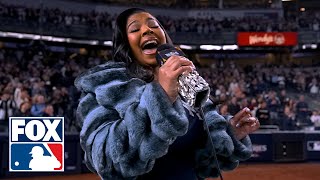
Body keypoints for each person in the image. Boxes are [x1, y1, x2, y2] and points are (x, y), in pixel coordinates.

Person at [75, 8, 260, 180]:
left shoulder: (187, 85)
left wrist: (230, 134)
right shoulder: (107, 86)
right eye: (135, 29)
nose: (148, 30)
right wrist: (161, 96)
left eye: (154, 25)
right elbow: (106, 160)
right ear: (125, 43)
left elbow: (204, 164)